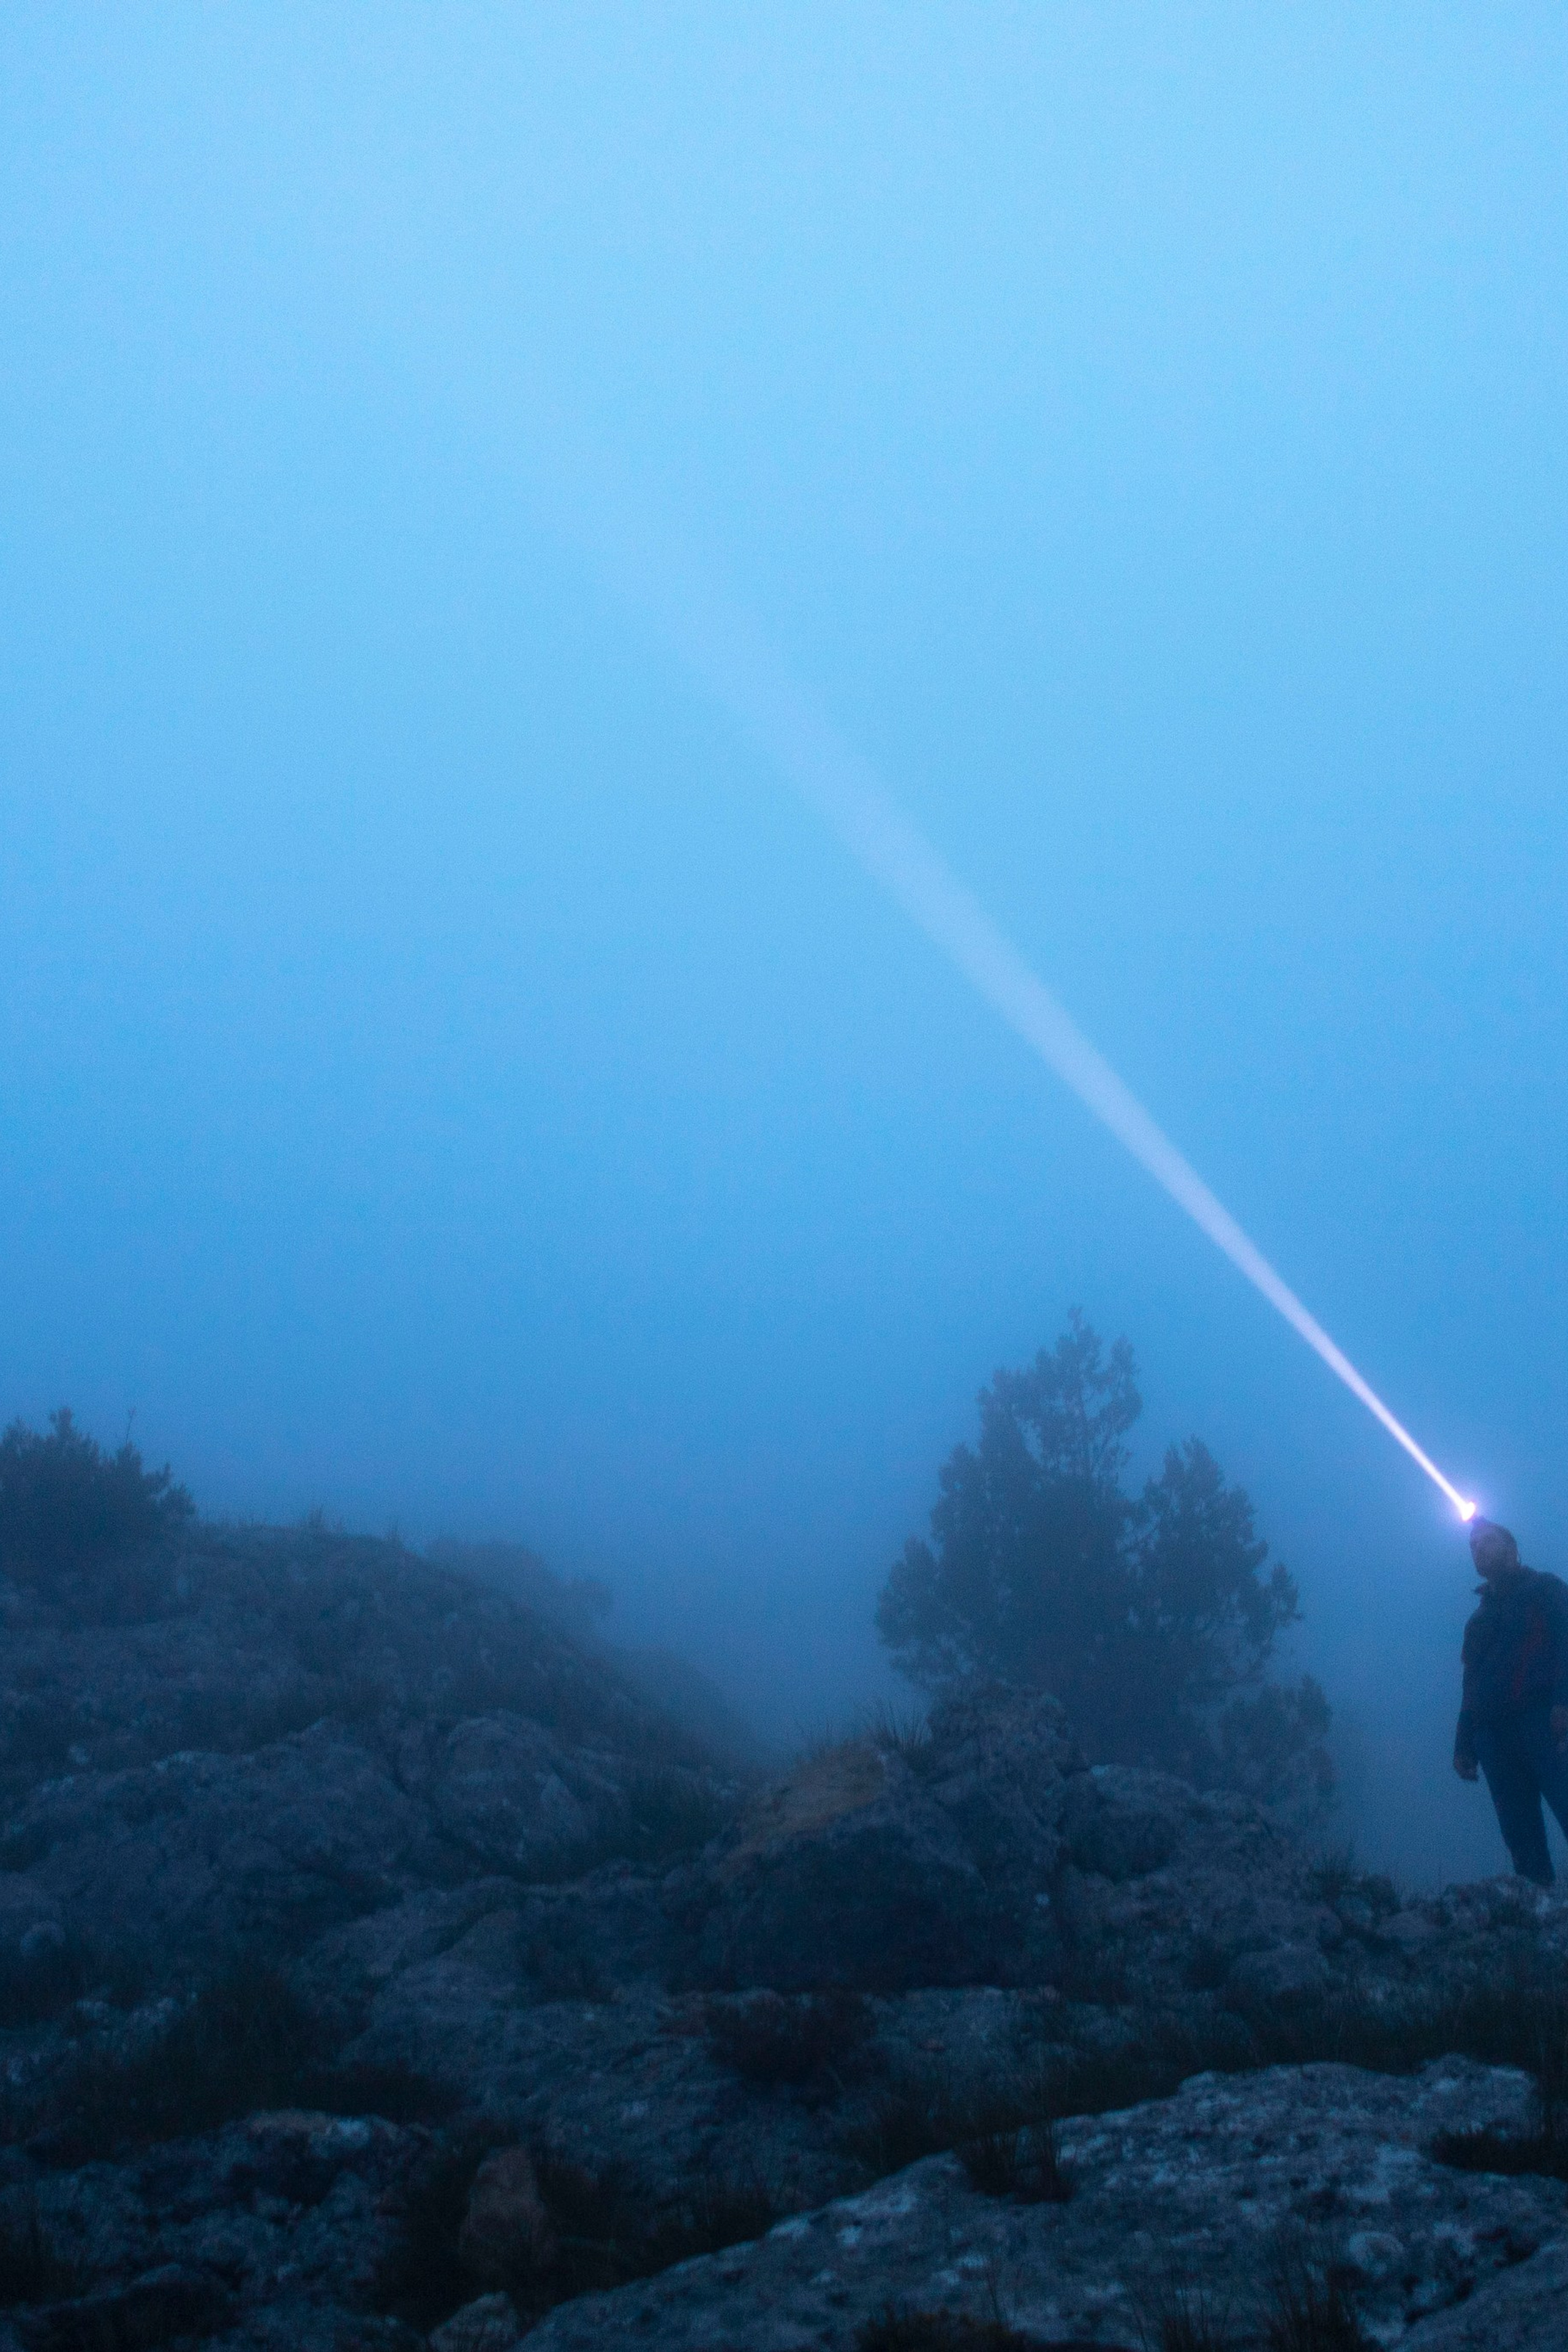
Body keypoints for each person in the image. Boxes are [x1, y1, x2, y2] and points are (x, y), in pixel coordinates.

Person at [1453, 1517, 1568, 1885]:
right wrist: (1464, 1745)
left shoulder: (1544, 1589)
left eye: (1487, 1540)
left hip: (1543, 1722)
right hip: (1495, 1738)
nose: (1478, 1549)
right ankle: (1542, 1917)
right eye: (1472, 1546)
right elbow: (1471, 1684)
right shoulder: (1479, 1620)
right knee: (1521, 1838)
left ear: (1511, 1550)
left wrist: (1563, 1702)